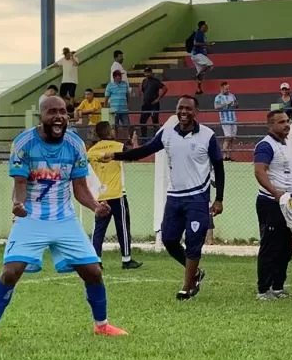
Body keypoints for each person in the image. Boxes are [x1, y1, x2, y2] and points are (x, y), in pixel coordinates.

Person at [0, 96, 125, 344]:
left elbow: (80, 186)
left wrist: (95, 206)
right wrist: (19, 204)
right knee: (11, 272)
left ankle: (102, 325)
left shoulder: (75, 144)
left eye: (63, 112)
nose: (59, 117)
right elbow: (20, 183)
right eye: (52, 112)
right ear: (41, 115)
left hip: (64, 218)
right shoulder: (24, 143)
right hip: (31, 217)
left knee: (93, 271)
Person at [103, 96, 225, 300]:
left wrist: (219, 198)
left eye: (188, 108)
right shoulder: (167, 133)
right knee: (168, 239)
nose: (183, 112)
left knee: (194, 242)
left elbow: (219, 168)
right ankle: (195, 273)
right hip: (174, 197)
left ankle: (187, 286)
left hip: (197, 198)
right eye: (180, 108)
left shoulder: (207, 136)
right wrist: (116, 156)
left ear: (196, 112)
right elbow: (144, 151)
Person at [253, 110, 292, 300]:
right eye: (281, 122)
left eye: (287, 121)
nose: (286, 125)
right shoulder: (265, 145)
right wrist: (275, 192)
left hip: (289, 203)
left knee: (286, 247)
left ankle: (278, 286)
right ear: (270, 125)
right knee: (270, 246)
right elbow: (260, 171)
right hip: (272, 203)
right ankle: (263, 289)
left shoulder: (287, 145)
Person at [86, 121, 143, 270]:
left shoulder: (91, 151)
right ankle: (126, 259)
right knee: (122, 226)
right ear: (109, 132)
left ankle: (96, 260)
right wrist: (134, 142)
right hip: (118, 194)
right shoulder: (118, 146)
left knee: (99, 229)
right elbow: (134, 156)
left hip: (101, 195)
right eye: (111, 129)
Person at [139, 67, 168, 141]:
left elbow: (165, 88)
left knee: (155, 121)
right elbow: (142, 91)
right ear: (144, 73)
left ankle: (156, 138)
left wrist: (158, 99)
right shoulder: (144, 81)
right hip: (146, 105)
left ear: (151, 72)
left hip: (153, 105)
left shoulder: (155, 81)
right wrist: (143, 99)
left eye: (148, 72)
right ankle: (143, 138)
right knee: (142, 121)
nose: (147, 74)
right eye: (146, 72)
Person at [214, 81, 238, 161]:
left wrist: (234, 104)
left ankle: (229, 156)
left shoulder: (232, 95)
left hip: (233, 119)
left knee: (232, 138)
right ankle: (224, 157)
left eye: (228, 88)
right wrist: (226, 104)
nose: (228, 90)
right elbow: (216, 107)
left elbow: (236, 105)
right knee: (227, 138)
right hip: (225, 120)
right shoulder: (218, 97)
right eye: (226, 89)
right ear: (222, 88)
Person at [191, 21, 215, 95]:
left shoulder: (201, 34)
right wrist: (206, 44)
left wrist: (207, 46)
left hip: (197, 55)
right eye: (205, 26)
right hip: (197, 54)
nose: (207, 27)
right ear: (202, 27)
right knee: (210, 65)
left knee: (202, 73)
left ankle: (198, 89)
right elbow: (195, 43)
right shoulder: (199, 33)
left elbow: (202, 45)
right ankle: (197, 75)